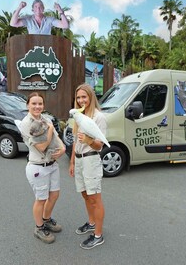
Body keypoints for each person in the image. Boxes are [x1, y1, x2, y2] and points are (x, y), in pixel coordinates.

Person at [19, 92, 66, 244]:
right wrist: (50, 131)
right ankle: (39, 228)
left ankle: (46, 219)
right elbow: (42, 147)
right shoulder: (27, 124)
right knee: (41, 199)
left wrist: (63, 148)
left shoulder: (44, 119)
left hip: (52, 165)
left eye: (40, 103)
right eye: (34, 103)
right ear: (28, 105)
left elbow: (56, 137)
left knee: (54, 195)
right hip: (38, 167)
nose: (37, 106)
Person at [69, 84, 107, 249]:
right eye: (78, 97)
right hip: (78, 160)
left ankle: (98, 235)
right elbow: (75, 141)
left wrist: (89, 141)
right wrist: (72, 161)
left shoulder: (98, 117)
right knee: (85, 195)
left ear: (91, 97)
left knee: (94, 198)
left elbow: (100, 146)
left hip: (91, 160)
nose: (81, 100)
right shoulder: (78, 115)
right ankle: (91, 222)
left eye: (84, 97)